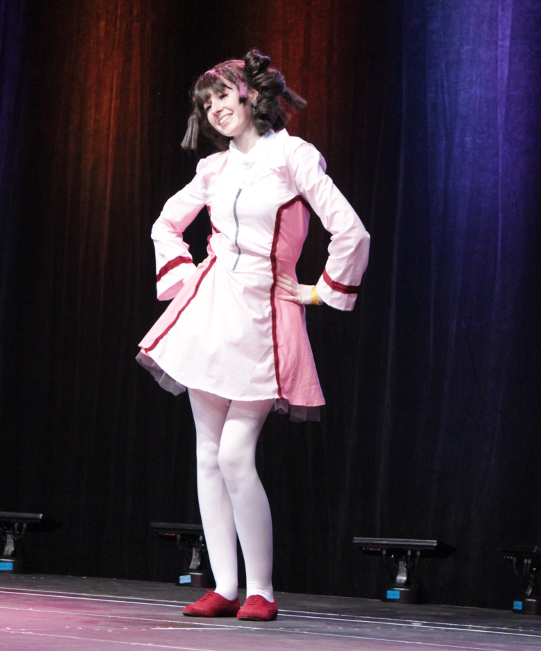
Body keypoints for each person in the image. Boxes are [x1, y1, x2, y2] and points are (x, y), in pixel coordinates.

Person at [137, 49, 370, 621]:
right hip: (211, 312)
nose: (215, 109)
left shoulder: (292, 156)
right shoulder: (213, 170)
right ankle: (224, 586)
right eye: (206, 103)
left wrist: (319, 291)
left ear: (251, 94)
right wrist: (186, 278)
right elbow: (165, 223)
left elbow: (352, 231)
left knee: (236, 454)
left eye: (223, 95)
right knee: (207, 454)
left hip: (265, 317)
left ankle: (261, 588)